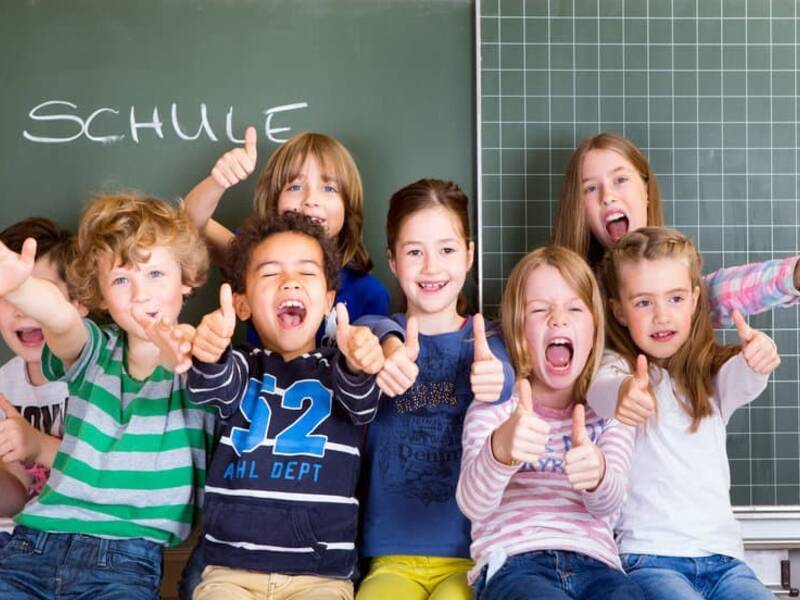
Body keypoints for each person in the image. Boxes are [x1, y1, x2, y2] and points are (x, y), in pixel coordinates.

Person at [148, 212, 386, 600]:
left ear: (328, 301)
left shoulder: (341, 368)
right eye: (271, 273)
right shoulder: (242, 366)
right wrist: (210, 350)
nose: (290, 280)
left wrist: (361, 361)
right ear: (241, 303)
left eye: (306, 273)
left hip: (320, 576)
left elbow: (362, 404)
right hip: (230, 572)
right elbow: (214, 382)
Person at [0, 194, 216, 598]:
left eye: (154, 274)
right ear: (98, 296)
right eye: (121, 280)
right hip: (36, 542)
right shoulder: (94, 354)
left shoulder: (205, 359)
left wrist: (187, 352)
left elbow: (206, 365)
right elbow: (60, 319)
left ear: (186, 280)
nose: (140, 294)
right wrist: (22, 289)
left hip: (125, 559)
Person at [588, 227, 780, 600]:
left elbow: (745, 376)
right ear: (619, 311)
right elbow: (602, 391)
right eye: (643, 303)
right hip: (650, 558)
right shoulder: (617, 367)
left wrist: (759, 356)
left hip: (725, 561)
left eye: (675, 298)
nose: (662, 315)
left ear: (695, 301)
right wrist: (626, 392)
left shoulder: (709, 376)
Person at [356, 179, 513, 600]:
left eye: (446, 249)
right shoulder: (374, 336)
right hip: (390, 556)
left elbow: (504, 380)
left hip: (471, 554)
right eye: (414, 252)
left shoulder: (490, 341)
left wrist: (497, 380)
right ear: (391, 259)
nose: (431, 267)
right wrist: (385, 352)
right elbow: (362, 336)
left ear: (470, 254)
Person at [456, 245, 641, 599]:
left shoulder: (608, 411)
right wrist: (500, 450)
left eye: (574, 308)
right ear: (517, 327)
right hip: (514, 563)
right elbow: (472, 504)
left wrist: (599, 475)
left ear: (594, 328)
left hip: (598, 564)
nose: (558, 318)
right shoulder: (494, 407)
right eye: (540, 309)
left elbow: (610, 504)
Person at [553, 132, 800, 326]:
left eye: (620, 180)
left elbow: (718, 294)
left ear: (646, 192)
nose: (607, 196)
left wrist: (791, 275)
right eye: (590, 188)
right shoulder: (570, 294)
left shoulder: (677, 277)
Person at [183, 127, 389, 342]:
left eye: (329, 189)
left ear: (348, 207)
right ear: (273, 202)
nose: (311, 199)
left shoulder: (369, 293)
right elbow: (189, 222)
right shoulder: (255, 257)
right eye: (296, 186)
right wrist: (219, 182)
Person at [0, 218, 79, 548]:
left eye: (36, 293)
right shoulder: (6, 382)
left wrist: (38, 446)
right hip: (21, 536)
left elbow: (109, 472)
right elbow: (15, 498)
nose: (22, 308)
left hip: (87, 535)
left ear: (78, 304)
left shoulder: (97, 374)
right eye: (8, 294)